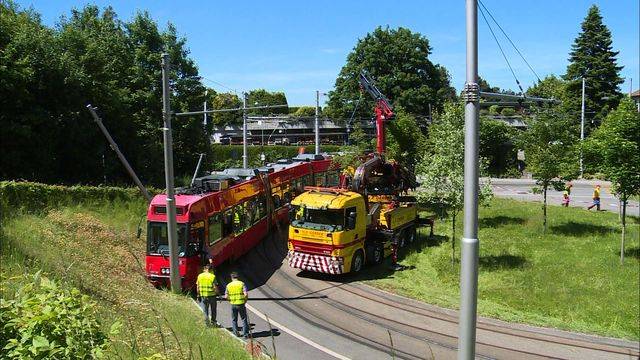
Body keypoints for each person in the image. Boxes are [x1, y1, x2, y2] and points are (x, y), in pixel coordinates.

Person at [225, 272, 250, 338]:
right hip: (241, 303)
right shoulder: (242, 284)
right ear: (237, 277)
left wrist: (230, 300)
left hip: (233, 304)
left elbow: (226, 296)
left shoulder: (228, 285)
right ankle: (245, 334)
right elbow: (246, 294)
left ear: (231, 277)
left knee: (234, 319)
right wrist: (245, 301)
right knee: (244, 319)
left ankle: (235, 333)